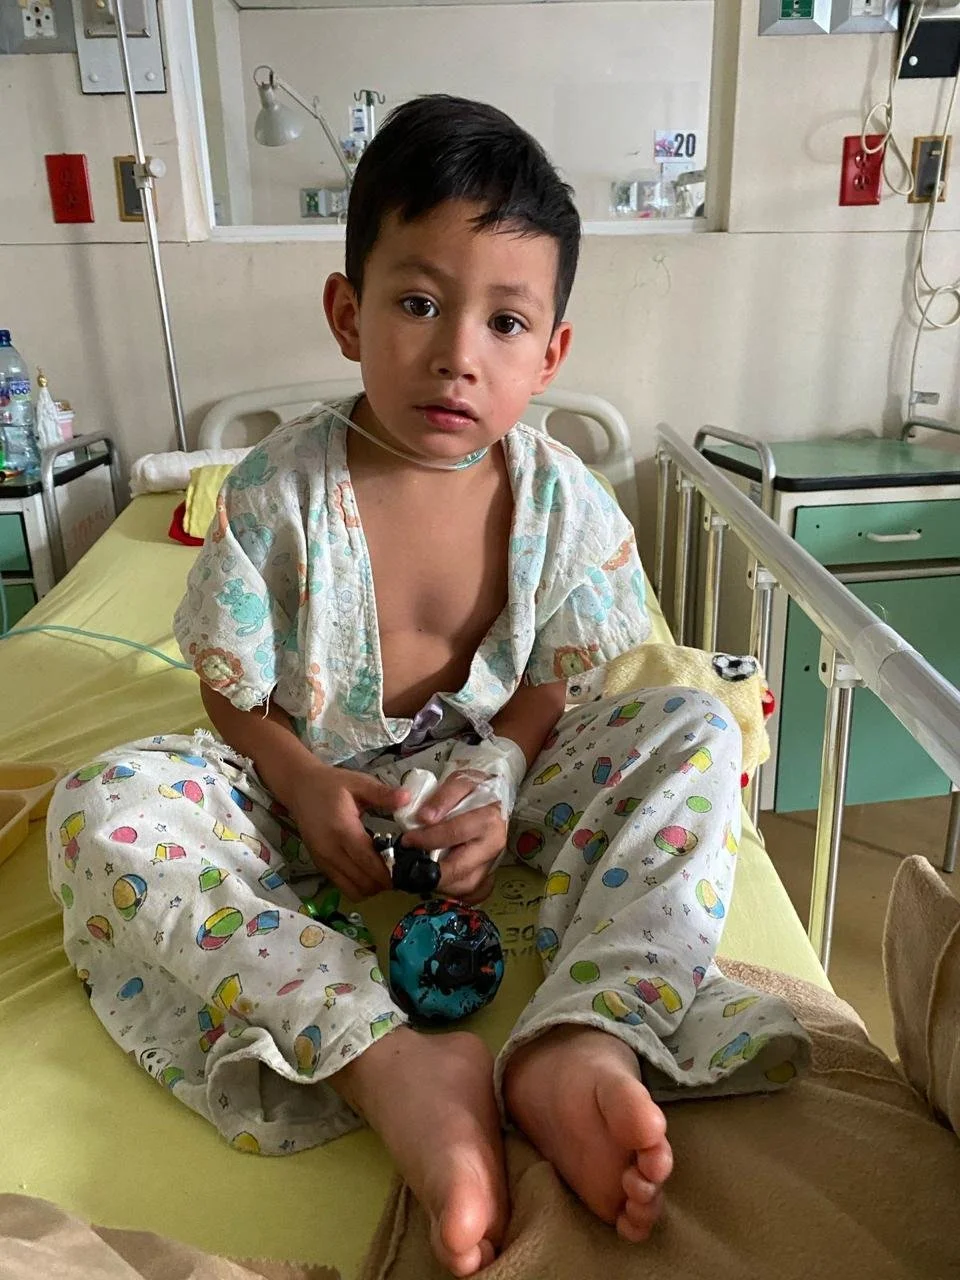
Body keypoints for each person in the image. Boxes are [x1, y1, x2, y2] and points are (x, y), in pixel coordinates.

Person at [47, 96, 808, 1279]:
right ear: (348, 312)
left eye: (506, 321)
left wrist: (502, 769)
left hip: (503, 798)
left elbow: (554, 681)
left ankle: (584, 1033)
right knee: (102, 805)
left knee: (695, 726)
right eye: (418, 303)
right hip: (304, 798)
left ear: (551, 353)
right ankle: (384, 1054)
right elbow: (230, 687)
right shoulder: (276, 493)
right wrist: (300, 779)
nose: (459, 352)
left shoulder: (563, 502)